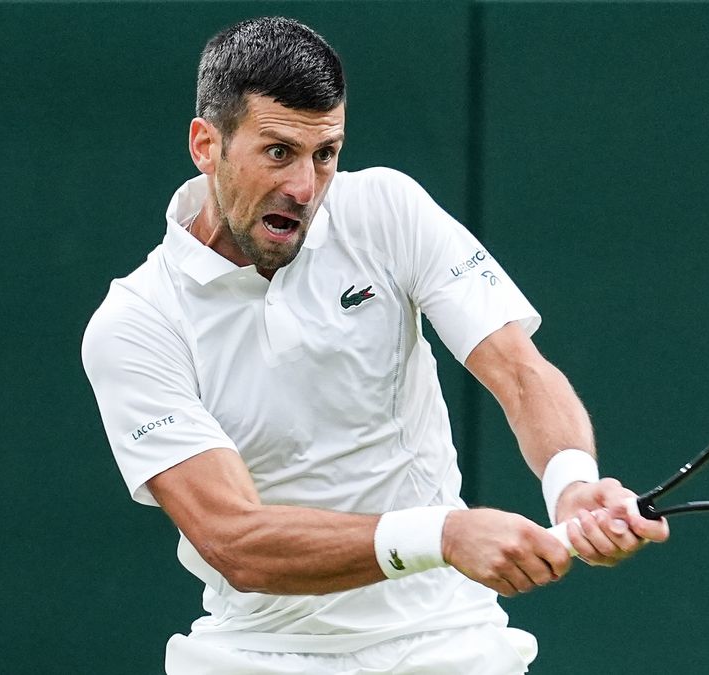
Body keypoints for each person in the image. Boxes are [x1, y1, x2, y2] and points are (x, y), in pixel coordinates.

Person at [81, 16, 668, 674]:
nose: (304, 187)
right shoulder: (137, 323)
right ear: (206, 145)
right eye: (278, 152)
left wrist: (572, 483)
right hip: (258, 653)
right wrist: (442, 535)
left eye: (325, 153)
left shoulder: (387, 210)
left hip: (446, 640)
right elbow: (234, 539)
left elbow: (519, 369)